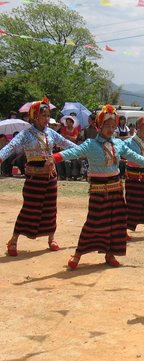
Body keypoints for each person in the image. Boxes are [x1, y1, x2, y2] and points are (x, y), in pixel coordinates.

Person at [46, 105, 144, 270]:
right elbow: (73, 152)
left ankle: (110, 254)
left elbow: (133, 156)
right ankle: (78, 254)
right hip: (99, 190)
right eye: (107, 126)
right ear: (100, 126)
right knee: (93, 222)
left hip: (116, 189)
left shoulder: (118, 144)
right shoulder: (91, 144)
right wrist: (54, 158)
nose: (111, 129)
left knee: (116, 223)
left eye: (113, 126)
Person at [0, 98, 76, 256]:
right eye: (44, 116)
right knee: (29, 208)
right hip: (34, 178)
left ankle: (51, 238)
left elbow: (67, 145)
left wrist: (87, 150)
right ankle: (14, 240)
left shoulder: (52, 133)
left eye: (49, 115)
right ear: (35, 117)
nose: (47, 119)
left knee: (50, 208)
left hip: (50, 176)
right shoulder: (25, 134)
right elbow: (10, 147)